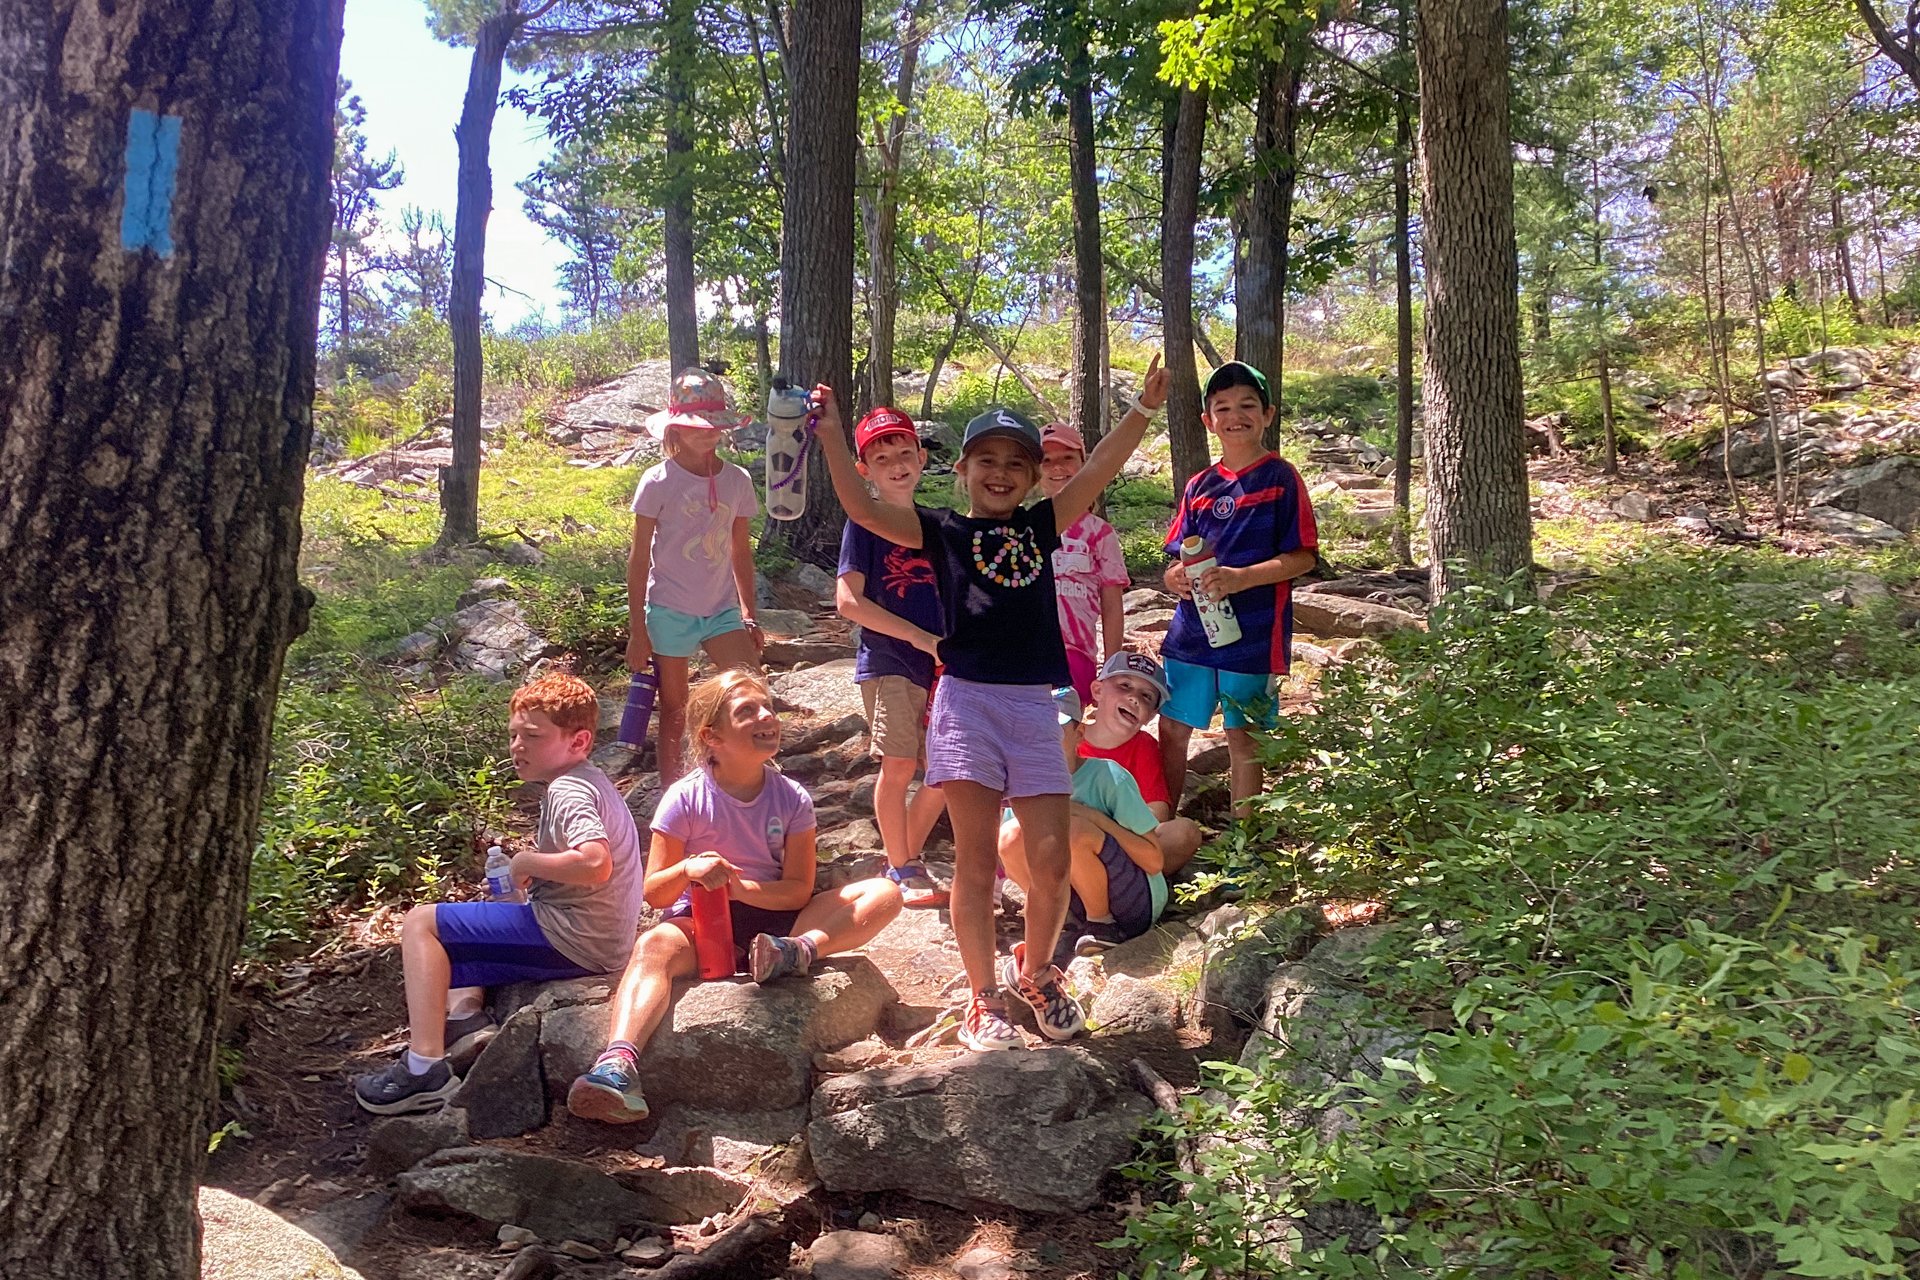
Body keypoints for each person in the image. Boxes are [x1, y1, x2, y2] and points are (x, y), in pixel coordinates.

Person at [818, 356, 1170, 1052]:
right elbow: (861, 508)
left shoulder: (1043, 527)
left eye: (1017, 461)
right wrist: (831, 431)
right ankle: (983, 996)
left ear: (1036, 474)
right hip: (966, 705)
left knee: (1049, 862)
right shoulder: (940, 529)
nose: (1002, 471)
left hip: (1035, 706)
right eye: (987, 459)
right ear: (963, 469)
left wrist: (1143, 410)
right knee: (976, 863)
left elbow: (1097, 470)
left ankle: (1036, 973)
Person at [566, 669, 902, 1124]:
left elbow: (798, 890)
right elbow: (656, 892)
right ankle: (617, 1065)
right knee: (653, 946)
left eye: (768, 707)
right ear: (712, 737)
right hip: (706, 922)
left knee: (883, 890)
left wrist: (739, 886)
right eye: (748, 711)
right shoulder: (685, 799)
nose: (767, 716)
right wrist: (690, 869)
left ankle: (798, 953)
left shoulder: (792, 798)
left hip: (782, 921)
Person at [353, 672, 645, 1115]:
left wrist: (527, 863)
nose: (517, 746)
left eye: (532, 735)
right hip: (593, 937)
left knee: (420, 923)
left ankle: (422, 1069)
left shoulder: (569, 788)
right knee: (472, 921)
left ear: (579, 741)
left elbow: (594, 862)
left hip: (574, 939)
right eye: (513, 735)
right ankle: (465, 1020)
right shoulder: (590, 781)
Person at [1159, 360, 1318, 818]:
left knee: (1243, 736)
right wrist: (1174, 579)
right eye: (1223, 407)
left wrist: (1240, 577)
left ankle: (1244, 849)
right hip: (1192, 631)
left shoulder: (1281, 478)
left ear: (1268, 414)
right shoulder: (1200, 485)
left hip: (1253, 633)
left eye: (1247, 405)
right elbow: (1179, 554)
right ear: (1208, 421)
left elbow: (1303, 556)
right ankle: (1161, 828)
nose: (1236, 416)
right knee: (1172, 728)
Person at [833, 407, 949, 908]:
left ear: (922, 458)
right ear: (865, 470)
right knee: (900, 763)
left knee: (946, 769)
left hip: (943, 664)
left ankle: (905, 854)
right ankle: (902, 865)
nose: (897, 464)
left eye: (905, 453)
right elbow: (848, 602)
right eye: (882, 458)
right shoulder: (864, 525)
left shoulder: (938, 526)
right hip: (889, 660)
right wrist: (918, 638)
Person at [628, 368, 764, 783]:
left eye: (712, 426)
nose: (705, 434)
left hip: (721, 608)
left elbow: (740, 551)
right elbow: (638, 560)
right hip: (670, 609)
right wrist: (638, 630)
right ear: (675, 429)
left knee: (750, 692)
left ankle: (751, 779)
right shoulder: (657, 481)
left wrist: (749, 613)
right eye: (693, 426)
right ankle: (674, 795)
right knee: (674, 707)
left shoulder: (736, 480)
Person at [998, 688, 1168, 965]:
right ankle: (1057, 919)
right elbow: (1010, 849)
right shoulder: (1024, 785)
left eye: (1057, 730)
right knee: (1009, 835)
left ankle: (1102, 925)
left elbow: (1153, 859)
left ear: (1079, 735)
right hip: (1071, 896)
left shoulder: (1107, 776)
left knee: (1071, 829)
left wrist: (1094, 817)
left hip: (1135, 902)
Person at [1077, 651, 1203, 877]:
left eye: (1146, 696)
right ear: (1097, 690)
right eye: (1124, 686)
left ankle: (1116, 886)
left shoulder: (1144, 746)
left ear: (1151, 716)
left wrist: (1105, 828)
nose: (1134, 698)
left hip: (1121, 851)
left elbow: (1158, 814)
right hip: (1071, 845)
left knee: (1185, 832)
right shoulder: (1069, 737)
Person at [1037, 422, 1130, 703]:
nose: (1058, 467)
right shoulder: (1021, 526)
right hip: (1026, 651)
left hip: (1077, 654)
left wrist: (1112, 666)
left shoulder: (1100, 533)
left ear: (1084, 463)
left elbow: (1112, 604)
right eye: (1047, 460)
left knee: (1067, 731)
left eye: (1067, 458)